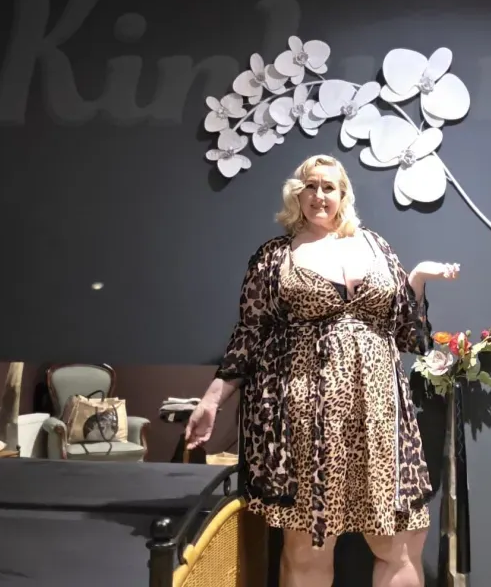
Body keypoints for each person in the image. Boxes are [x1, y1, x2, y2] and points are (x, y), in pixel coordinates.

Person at [186, 154, 460, 587]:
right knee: (308, 544)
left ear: (343, 194)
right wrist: (212, 400)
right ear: (296, 195)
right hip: (306, 414)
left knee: (400, 540)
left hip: (379, 412)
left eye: (328, 187)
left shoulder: (376, 246)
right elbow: (249, 336)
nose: (319, 195)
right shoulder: (275, 257)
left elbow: (408, 335)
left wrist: (418, 280)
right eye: (309, 186)